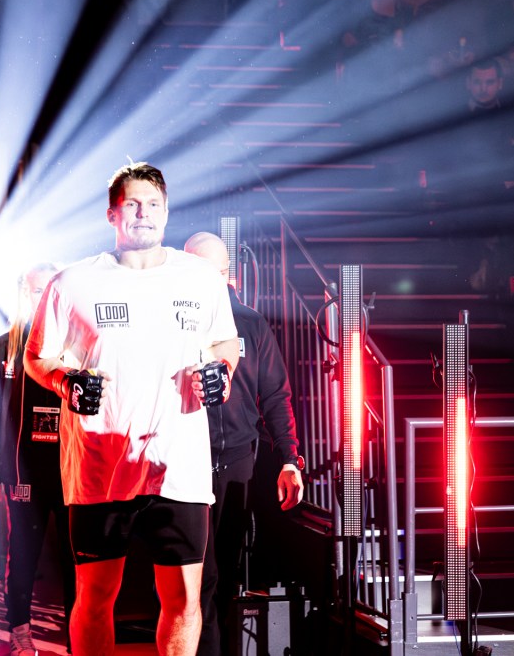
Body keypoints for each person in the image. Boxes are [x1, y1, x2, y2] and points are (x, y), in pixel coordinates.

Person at [23, 162, 240, 656]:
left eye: (154, 204)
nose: (144, 213)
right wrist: (64, 381)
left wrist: (223, 370)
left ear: (167, 212)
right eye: (133, 204)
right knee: (95, 598)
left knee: (184, 602)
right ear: (112, 214)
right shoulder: (73, 282)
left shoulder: (199, 279)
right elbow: (36, 357)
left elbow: (225, 341)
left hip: (178, 466)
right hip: (101, 467)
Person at [183, 232, 304, 656]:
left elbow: (275, 395)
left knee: (226, 572)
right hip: (186, 461)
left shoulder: (250, 323)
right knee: (198, 574)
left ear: (225, 275)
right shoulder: (175, 322)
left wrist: (289, 458)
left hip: (236, 462)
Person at [0, 263, 75, 656]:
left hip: (71, 472)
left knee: (76, 562)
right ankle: (20, 633)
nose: (44, 298)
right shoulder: (6, 347)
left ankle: (78, 638)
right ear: (24, 294)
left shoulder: (75, 343)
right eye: (37, 291)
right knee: (22, 557)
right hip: (23, 472)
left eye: (50, 290)